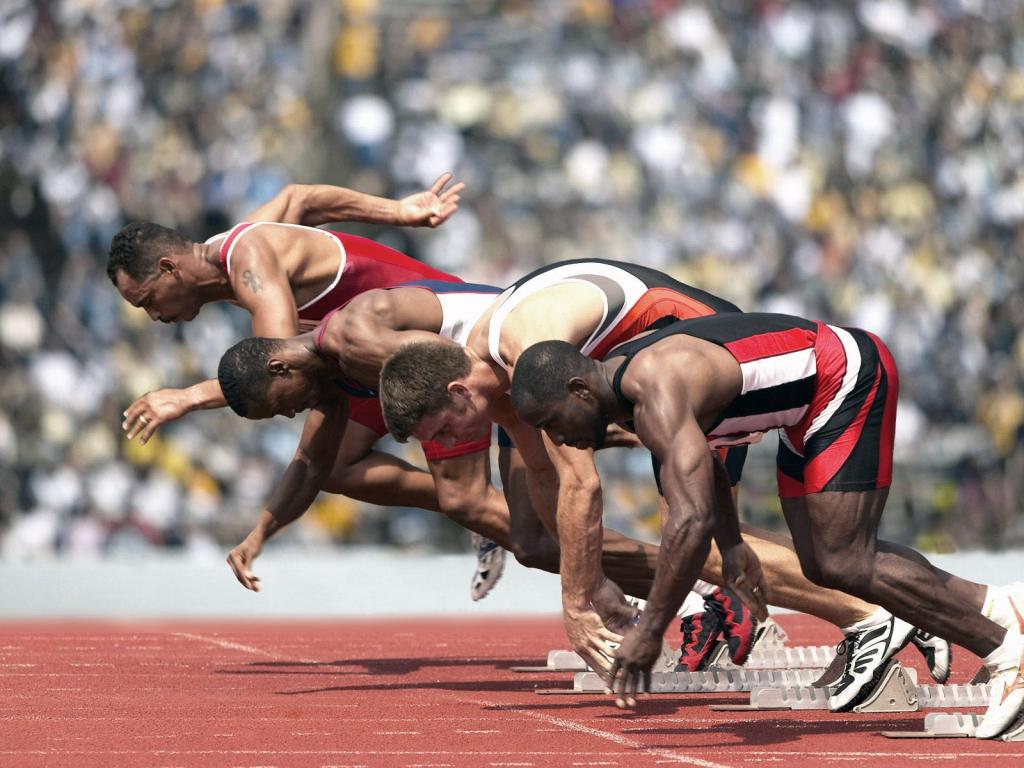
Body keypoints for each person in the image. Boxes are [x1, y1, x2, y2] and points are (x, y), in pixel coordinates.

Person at [377, 259, 947, 694]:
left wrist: (577, 605)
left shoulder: (524, 353)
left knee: (696, 530)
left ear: (459, 392)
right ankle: (880, 601)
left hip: (704, 360)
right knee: (640, 535)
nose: (448, 447)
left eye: (443, 431)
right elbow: (546, 479)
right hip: (648, 371)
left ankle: (874, 615)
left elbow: (581, 485)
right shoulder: (498, 375)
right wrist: (590, 581)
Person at [507, 314, 1024, 739]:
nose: (560, 439)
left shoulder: (652, 390)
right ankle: (1001, 607)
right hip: (804, 407)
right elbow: (704, 462)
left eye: (552, 422)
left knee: (846, 559)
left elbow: (690, 520)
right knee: (823, 565)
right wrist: (733, 546)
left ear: (580, 390)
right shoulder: (625, 394)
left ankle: (1008, 655)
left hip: (841, 376)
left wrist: (650, 629)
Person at [107, 174, 504, 600]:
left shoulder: (249, 260)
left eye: (147, 300)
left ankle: (494, 517)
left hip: (429, 341)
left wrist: (188, 397)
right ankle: (483, 513)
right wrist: (399, 211)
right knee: (335, 467)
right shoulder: (235, 248)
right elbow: (302, 199)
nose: (153, 316)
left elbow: (275, 364)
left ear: (169, 269)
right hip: (368, 363)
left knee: (469, 501)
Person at [216, 280, 666, 621]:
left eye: (279, 407)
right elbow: (312, 463)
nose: (289, 414)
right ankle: (664, 595)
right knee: (532, 544)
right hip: (502, 390)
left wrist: (565, 414)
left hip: (514, 372)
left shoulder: (355, 342)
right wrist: (259, 535)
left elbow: (460, 371)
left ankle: (683, 591)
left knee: (484, 507)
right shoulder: (331, 378)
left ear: (279, 368)